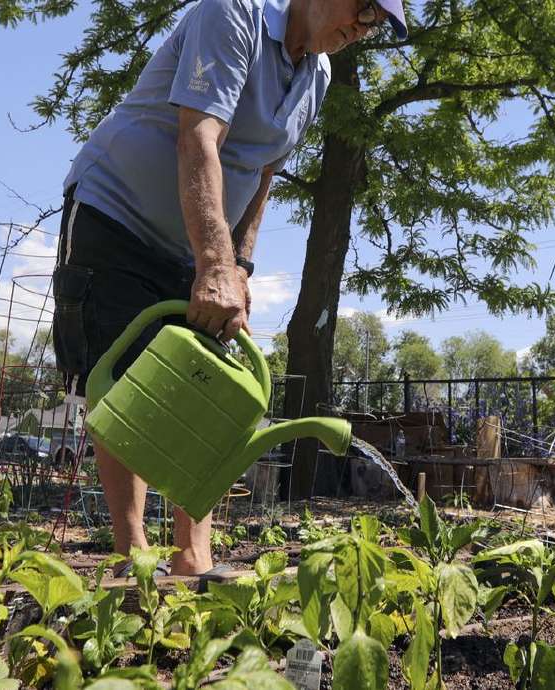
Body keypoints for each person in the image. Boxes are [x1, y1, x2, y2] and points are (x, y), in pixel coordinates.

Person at [52, 0, 407, 576]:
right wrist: (213, 260)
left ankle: (194, 554)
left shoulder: (315, 74)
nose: (363, 29)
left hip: (199, 241)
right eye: (363, 10)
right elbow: (198, 136)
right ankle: (132, 556)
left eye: (376, 24)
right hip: (115, 216)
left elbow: (263, 169)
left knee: (206, 380)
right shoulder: (232, 13)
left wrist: (239, 263)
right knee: (122, 382)